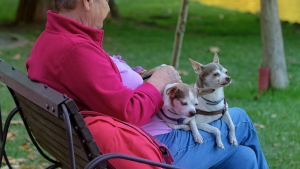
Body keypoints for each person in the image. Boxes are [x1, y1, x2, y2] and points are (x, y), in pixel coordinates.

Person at [26, 0, 269, 168]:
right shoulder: (76, 50)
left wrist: (137, 77)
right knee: (241, 120)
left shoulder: (52, 39)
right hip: (151, 154)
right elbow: (129, 112)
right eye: (105, 1)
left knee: (243, 158)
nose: (108, 7)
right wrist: (159, 80)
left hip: (98, 149)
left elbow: (100, 90)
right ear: (87, 1)